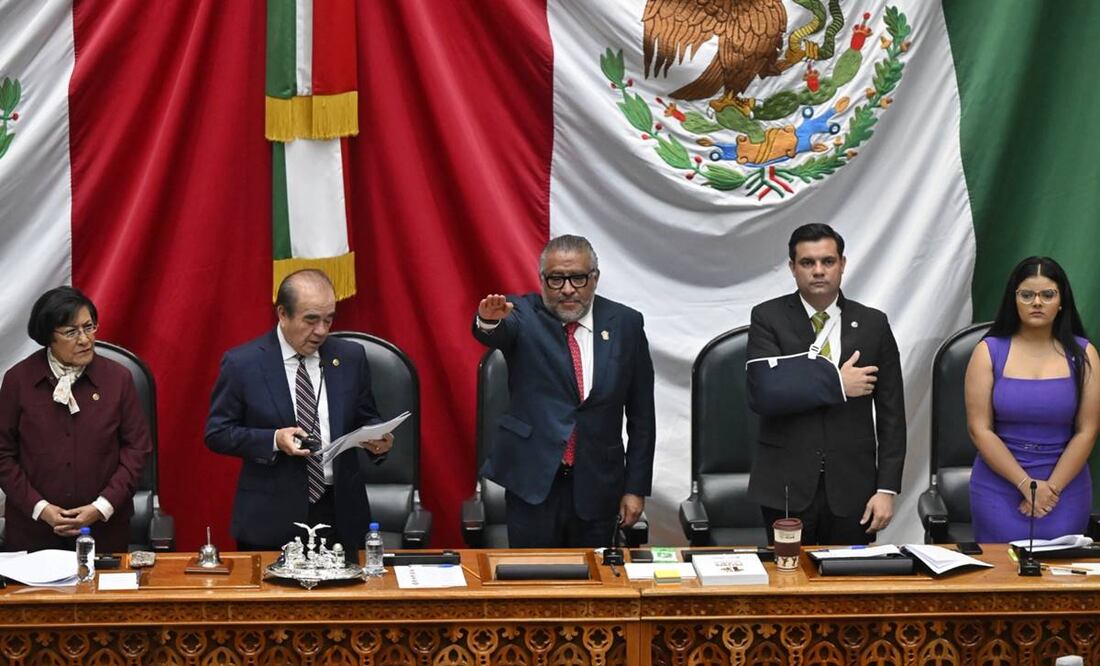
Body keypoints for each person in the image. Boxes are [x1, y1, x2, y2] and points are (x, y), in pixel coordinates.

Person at [474, 234, 656, 548]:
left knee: (597, 589)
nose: (568, 289)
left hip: (599, 484)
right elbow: (499, 331)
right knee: (534, 588)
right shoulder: (522, 313)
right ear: (542, 281)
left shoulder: (626, 323)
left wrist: (635, 487)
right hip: (533, 482)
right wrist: (488, 322)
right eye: (556, 279)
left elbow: (642, 416)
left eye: (578, 278)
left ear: (595, 279)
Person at [205, 269, 393, 556]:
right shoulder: (243, 364)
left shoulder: (351, 357)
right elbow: (218, 433)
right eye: (311, 320)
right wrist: (274, 439)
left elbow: (366, 415)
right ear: (282, 314)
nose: (321, 330)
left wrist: (378, 439)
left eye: (329, 319)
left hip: (340, 513)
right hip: (271, 518)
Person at [747, 223, 906, 545]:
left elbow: (892, 413)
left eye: (828, 261)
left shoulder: (873, 324)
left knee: (851, 589)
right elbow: (766, 393)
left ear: (842, 264)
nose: (818, 271)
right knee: (787, 587)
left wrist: (886, 489)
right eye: (807, 263)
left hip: (854, 488)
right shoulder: (768, 317)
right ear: (792, 268)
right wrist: (837, 383)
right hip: (785, 486)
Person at [0, 287, 151, 552]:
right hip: (33, 533)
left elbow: (137, 450)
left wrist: (100, 507)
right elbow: (2, 455)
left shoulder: (119, 379)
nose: (85, 339)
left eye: (89, 327)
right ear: (48, 336)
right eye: (71, 332)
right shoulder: (18, 381)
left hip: (104, 531)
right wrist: (41, 508)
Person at [965, 257, 1099, 542]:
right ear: (1014, 299)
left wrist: (1050, 491)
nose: (1037, 302)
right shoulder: (987, 351)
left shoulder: (1084, 354)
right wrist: (1026, 485)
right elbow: (980, 429)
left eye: (1047, 294)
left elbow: (1088, 431)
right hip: (999, 488)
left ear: (1061, 300)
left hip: (1065, 488)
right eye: (1027, 295)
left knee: (1061, 579)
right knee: (1000, 578)